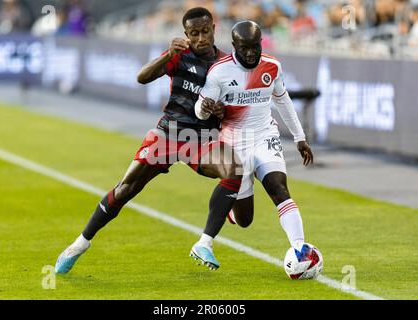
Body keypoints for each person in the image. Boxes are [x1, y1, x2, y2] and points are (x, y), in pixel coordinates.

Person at [54, 7, 242, 273]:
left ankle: (205, 242)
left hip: (201, 140)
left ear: (214, 28)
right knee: (126, 189)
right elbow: (142, 77)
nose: (200, 38)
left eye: (205, 31)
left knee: (234, 169)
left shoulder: (226, 65)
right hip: (169, 134)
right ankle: (80, 244)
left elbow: (234, 107)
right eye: (194, 33)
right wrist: (168, 54)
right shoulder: (180, 56)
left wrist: (223, 110)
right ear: (186, 34)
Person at [194, 20, 313, 258]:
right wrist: (204, 108)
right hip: (235, 144)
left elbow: (283, 101)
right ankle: (233, 212)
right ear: (234, 45)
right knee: (245, 219)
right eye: (244, 48)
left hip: (265, 136)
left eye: (255, 47)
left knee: (278, 188)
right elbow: (200, 109)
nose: (250, 53)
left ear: (261, 43)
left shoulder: (272, 66)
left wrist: (299, 137)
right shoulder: (219, 72)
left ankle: (301, 249)